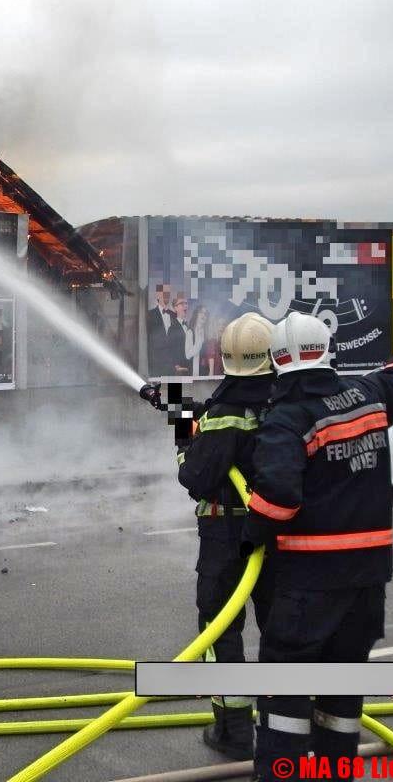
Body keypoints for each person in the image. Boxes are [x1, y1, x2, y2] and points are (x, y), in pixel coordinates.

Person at [244, 313, 393, 782]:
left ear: (276, 360)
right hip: (367, 582)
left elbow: (279, 499)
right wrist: (388, 353)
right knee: (342, 693)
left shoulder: (287, 419)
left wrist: (251, 531)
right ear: (326, 349)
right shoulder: (370, 395)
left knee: (285, 693)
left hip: (311, 584)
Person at [175, 312, 277, 761]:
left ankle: (234, 732)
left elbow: (195, 476)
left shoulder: (228, 414)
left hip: (227, 532)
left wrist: (184, 434)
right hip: (278, 531)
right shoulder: (286, 400)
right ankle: (286, 720)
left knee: (220, 628)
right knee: (282, 628)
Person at [146, 284, 175, 375]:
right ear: (158, 295)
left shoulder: (174, 315)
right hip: (156, 364)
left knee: (175, 389)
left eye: (168, 293)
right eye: (164, 292)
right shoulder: (149, 315)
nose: (167, 295)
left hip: (172, 365)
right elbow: (148, 340)